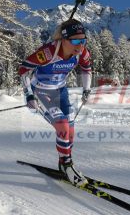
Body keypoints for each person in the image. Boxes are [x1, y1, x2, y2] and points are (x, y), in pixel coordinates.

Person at [19, 19, 92, 187]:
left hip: (61, 90)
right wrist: (29, 94)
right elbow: (23, 69)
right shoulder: (49, 52)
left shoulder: (82, 52)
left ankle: (63, 162)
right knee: (62, 125)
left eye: (83, 40)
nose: (80, 45)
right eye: (75, 40)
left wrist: (86, 90)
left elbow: (87, 69)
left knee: (70, 128)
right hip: (42, 91)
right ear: (63, 40)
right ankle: (67, 165)